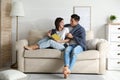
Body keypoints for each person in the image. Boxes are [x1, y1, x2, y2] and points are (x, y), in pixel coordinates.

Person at [63, 14, 86, 78]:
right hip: (70, 44)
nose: (70, 22)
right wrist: (52, 32)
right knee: (67, 50)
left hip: (79, 45)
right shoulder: (66, 26)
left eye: (72, 21)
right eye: (70, 20)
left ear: (77, 21)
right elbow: (58, 30)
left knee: (74, 51)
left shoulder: (81, 29)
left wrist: (72, 37)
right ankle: (66, 68)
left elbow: (82, 40)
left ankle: (68, 70)